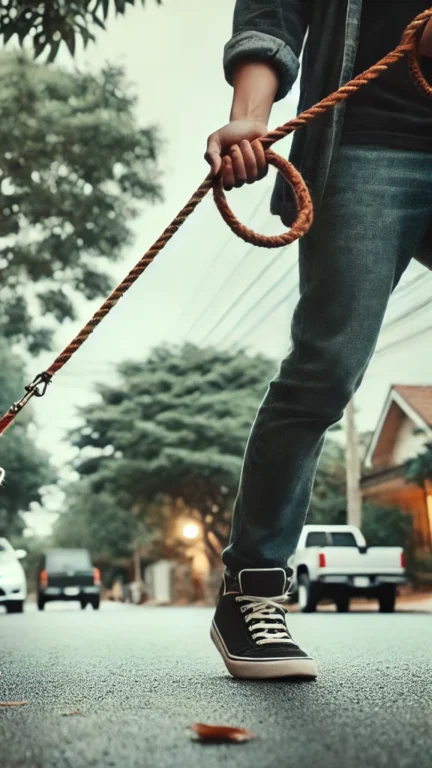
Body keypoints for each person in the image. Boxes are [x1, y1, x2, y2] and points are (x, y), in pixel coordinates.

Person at [207, 1, 432, 680]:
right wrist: (250, 116)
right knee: (326, 370)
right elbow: (273, 16)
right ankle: (252, 590)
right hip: (368, 145)